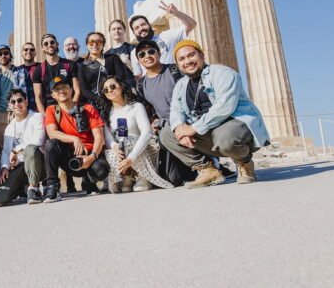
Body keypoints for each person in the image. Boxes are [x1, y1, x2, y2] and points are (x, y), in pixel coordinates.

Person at [161, 40, 270, 188]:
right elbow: (175, 110)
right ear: (178, 64)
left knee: (226, 137)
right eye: (182, 59)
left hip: (233, 124)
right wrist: (179, 127)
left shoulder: (223, 73)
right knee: (167, 133)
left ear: (201, 55)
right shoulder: (181, 84)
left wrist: (193, 129)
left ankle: (244, 163)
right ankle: (208, 170)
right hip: (206, 132)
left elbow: (225, 107)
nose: (187, 61)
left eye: (191, 55)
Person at [134, 40, 194, 186]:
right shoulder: (141, 84)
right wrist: (153, 121)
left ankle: (210, 162)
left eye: (151, 51)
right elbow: (149, 109)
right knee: (172, 178)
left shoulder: (174, 70)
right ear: (139, 60)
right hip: (167, 128)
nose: (147, 56)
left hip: (189, 121)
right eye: (142, 54)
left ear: (159, 53)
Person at [100, 76, 174, 193]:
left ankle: (143, 177)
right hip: (120, 152)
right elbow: (108, 138)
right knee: (114, 148)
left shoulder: (136, 107)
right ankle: (127, 176)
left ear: (121, 87)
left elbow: (146, 133)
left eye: (113, 86)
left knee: (128, 140)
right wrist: (114, 146)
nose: (110, 90)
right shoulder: (106, 114)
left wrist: (131, 158)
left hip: (140, 148)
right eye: (106, 90)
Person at [42, 76, 110, 202]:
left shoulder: (88, 109)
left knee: (101, 170)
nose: (61, 91)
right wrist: (74, 138)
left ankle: (90, 180)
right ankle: (52, 186)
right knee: (51, 145)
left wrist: (92, 157)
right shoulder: (51, 110)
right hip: (69, 157)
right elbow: (52, 133)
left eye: (64, 87)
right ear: (53, 95)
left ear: (71, 89)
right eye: (57, 89)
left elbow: (99, 137)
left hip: (89, 154)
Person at [0, 89, 46, 206]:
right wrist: (5, 167)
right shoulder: (10, 128)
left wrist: (16, 150)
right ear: (9, 106)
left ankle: (34, 189)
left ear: (26, 101)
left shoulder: (37, 117)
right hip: (20, 166)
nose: (17, 104)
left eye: (20, 100)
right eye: (13, 102)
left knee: (31, 149)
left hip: (39, 163)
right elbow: (6, 151)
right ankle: (21, 188)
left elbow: (39, 140)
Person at [129, 2, 197, 75]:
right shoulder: (134, 53)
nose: (141, 28)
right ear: (134, 33)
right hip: (152, 85)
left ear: (150, 25)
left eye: (143, 24)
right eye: (137, 28)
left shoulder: (166, 36)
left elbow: (191, 25)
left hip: (175, 80)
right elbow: (138, 76)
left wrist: (177, 13)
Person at [77, 31, 135, 114]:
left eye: (98, 41)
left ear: (103, 44)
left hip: (117, 99)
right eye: (91, 42)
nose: (95, 44)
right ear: (87, 45)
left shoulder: (113, 58)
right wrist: (100, 100)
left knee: (122, 125)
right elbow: (84, 89)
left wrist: (113, 95)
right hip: (97, 104)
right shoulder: (83, 66)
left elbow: (121, 78)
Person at [0, 44, 29, 153]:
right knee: (2, 148)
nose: (3, 56)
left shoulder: (20, 72)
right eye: (0, 54)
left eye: (6, 53)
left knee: (19, 146)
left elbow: (24, 92)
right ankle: (4, 169)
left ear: (10, 55)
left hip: (16, 112)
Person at [32, 33, 81, 111]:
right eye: (46, 44)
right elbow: (38, 97)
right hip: (50, 110)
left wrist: (73, 108)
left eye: (52, 42)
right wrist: (45, 116)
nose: (49, 45)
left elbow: (77, 90)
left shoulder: (70, 65)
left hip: (70, 108)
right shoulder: (39, 70)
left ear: (57, 44)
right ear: (42, 48)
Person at [18, 42, 41, 112]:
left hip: (39, 109)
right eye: (25, 49)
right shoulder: (17, 70)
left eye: (32, 50)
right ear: (21, 53)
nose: (28, 51)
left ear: (35, 53)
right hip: (23, 110)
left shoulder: (42, 67)